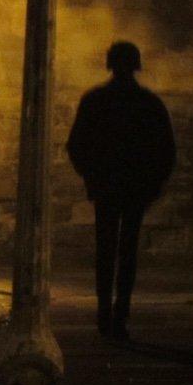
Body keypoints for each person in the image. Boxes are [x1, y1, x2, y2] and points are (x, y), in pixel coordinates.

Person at [66, 41, 175, 341]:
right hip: (135, 188)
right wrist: (152, 186)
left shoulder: (95, 100)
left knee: (106, 249)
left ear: (110, 64)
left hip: (107, 186)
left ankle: (104, 310)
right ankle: (121, 313)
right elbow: (166, 152)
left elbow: (76, 145)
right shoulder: (149, 104)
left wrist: (92, 177)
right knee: (128, 251)